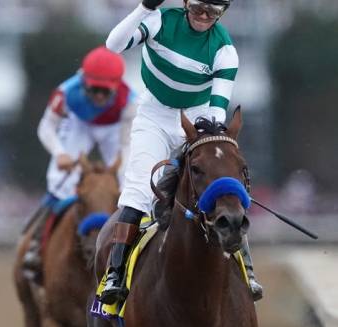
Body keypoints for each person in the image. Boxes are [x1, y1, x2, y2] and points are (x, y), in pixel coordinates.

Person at [100, 0, 262, 302]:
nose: (203, 16)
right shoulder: (160, 21)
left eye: (213, 12)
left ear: (222, 13)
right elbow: (113, 45)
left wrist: (208, 145)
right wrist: (145, 8)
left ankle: (247, 270)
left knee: (222, 185)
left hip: (199, 119)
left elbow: (217, 111)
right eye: (199, 7)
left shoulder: (224, 50)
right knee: (138, 191)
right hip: (154, 117)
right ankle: (115, 272)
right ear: (186, 2)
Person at [22, 46, 136, 281]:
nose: (99, 97)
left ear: (118, 86)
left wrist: (122, 175)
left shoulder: (131, 101)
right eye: (94, 89)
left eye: (106, 92)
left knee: (130, 186)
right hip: (78, 124)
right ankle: (36, 245)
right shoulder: (65, 93)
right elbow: (46, 127)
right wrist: (59, 153)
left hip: (114, 129)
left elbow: (126, 145)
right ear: (83, 80)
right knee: (59, 183)